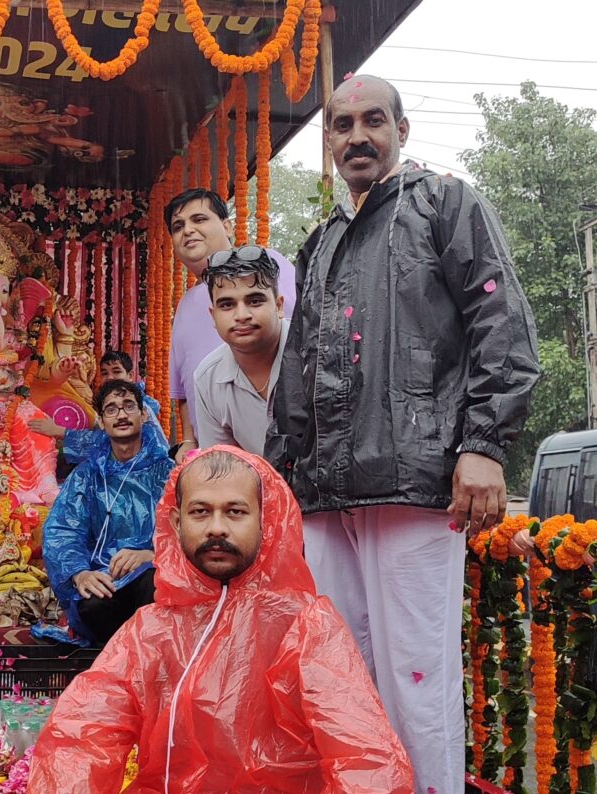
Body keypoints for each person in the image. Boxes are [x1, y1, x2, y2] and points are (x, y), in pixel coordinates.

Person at [266, 75, 540, 794]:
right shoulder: (321, 240)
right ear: (329, 141)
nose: (358, 136)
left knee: (417, 677)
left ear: (401, 130)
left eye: (373, 120)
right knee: (342, 679)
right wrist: (278, 485)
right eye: (342, 124)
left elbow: (501, 324)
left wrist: (483, 445)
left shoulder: (445, 203)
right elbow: (296, 372)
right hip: (324, 498)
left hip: (414, 482)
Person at [29, 448, 414, 792]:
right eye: (201, 511)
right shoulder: (150, 631)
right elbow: (83, 737)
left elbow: (364, 758)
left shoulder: (305, 626)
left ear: (266, 520)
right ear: (176, 522)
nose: (216, 527)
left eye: (235, 511)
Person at [165, 189, 296, 460]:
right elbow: (183, 388)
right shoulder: (185, 305)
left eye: (199, 219)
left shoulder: (268, 265)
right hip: (221, 454)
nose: (187, 230)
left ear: (227, 226)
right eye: (178, 226)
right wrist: (189, 440)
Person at [42, 380, 174, 643]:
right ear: (101, 422)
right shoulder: (87, 476)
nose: (121, 415)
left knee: (154, 585)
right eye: (111, 409)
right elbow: (63, 531)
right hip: (105, 577)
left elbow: (190, 531)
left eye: (129, 406)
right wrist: (80, 573)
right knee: (92, 605)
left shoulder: (169, 473)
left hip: (154, 574)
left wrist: (153, 555)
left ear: (144, 414)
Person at [193, 246, 287, 454]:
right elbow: (223, 465)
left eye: (255, 301)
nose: (242, 315)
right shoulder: (207, 379)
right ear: (213, 316)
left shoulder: (314, 354)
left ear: (279, 306)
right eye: (227, 305)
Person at [28, 350, 166, 465]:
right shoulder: (112, 401)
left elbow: (108, 444)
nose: (110, 377)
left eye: (116, 371)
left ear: (130, 376)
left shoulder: (136, 406)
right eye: (105, 373)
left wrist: (60, 431)